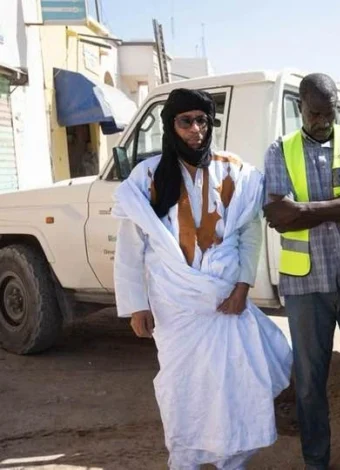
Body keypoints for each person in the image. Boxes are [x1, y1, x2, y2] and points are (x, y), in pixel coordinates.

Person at [113, 88, 292, 470]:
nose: (196, 129)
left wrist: (244, 287)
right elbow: (131, 247)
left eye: (202, 120)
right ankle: (185, 459)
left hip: (226, 298)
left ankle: (232, 460)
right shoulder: (146, 175)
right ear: (170, 125)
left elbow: (250, 233)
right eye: (185, 121)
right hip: (175, 304)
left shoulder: (234, 171)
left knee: (232, 385)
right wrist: (136, 306)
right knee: (183, 388)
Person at [262, 73, 340, 470]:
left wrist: (303, 211)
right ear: (300, 108)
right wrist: (334, 207)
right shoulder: (280, 150)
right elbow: (279, 217)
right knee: (310, 384)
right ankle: (317, 461)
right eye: (314, 113)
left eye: (328, 113)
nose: (322, 121)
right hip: (304, 286)